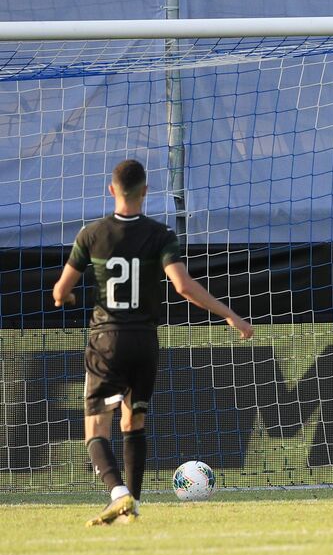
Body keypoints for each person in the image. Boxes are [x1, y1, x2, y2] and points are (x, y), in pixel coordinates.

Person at [51, 159, 253, 527]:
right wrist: (230, 315)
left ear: (112, 190)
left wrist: (64, 298)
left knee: (96, 430)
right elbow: (184, 287)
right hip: (145, 341)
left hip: (106, 338)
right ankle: (134, 504)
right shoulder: (160, 235)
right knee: (135, 420)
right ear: (145, 192)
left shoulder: (91, 235)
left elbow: (61, 288)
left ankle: (119, 493)